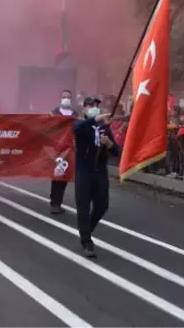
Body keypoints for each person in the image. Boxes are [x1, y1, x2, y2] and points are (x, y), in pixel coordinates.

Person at [73, 97, 118, 258]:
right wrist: (95, 119)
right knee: (83, 208)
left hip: (100, 172)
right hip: (84, 171)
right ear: (84, 109)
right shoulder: (81, 124)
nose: (94, 108)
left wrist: (110, 144)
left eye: (97, 106)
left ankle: (86, 229)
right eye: (90, 106)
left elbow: (117, 151)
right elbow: (77, 130)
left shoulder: (105, 129)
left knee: (102, 206)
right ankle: (87, 242)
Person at [49, 89, 79, 214]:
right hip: (56, 149)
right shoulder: (54, 112)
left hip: (70, 149)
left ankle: (57, 201)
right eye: (64, 97)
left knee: (65, 176)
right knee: (57, 175)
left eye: (68, 97)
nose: (66, 99)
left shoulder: (75, 114)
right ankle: (54, 202)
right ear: (60, 98)